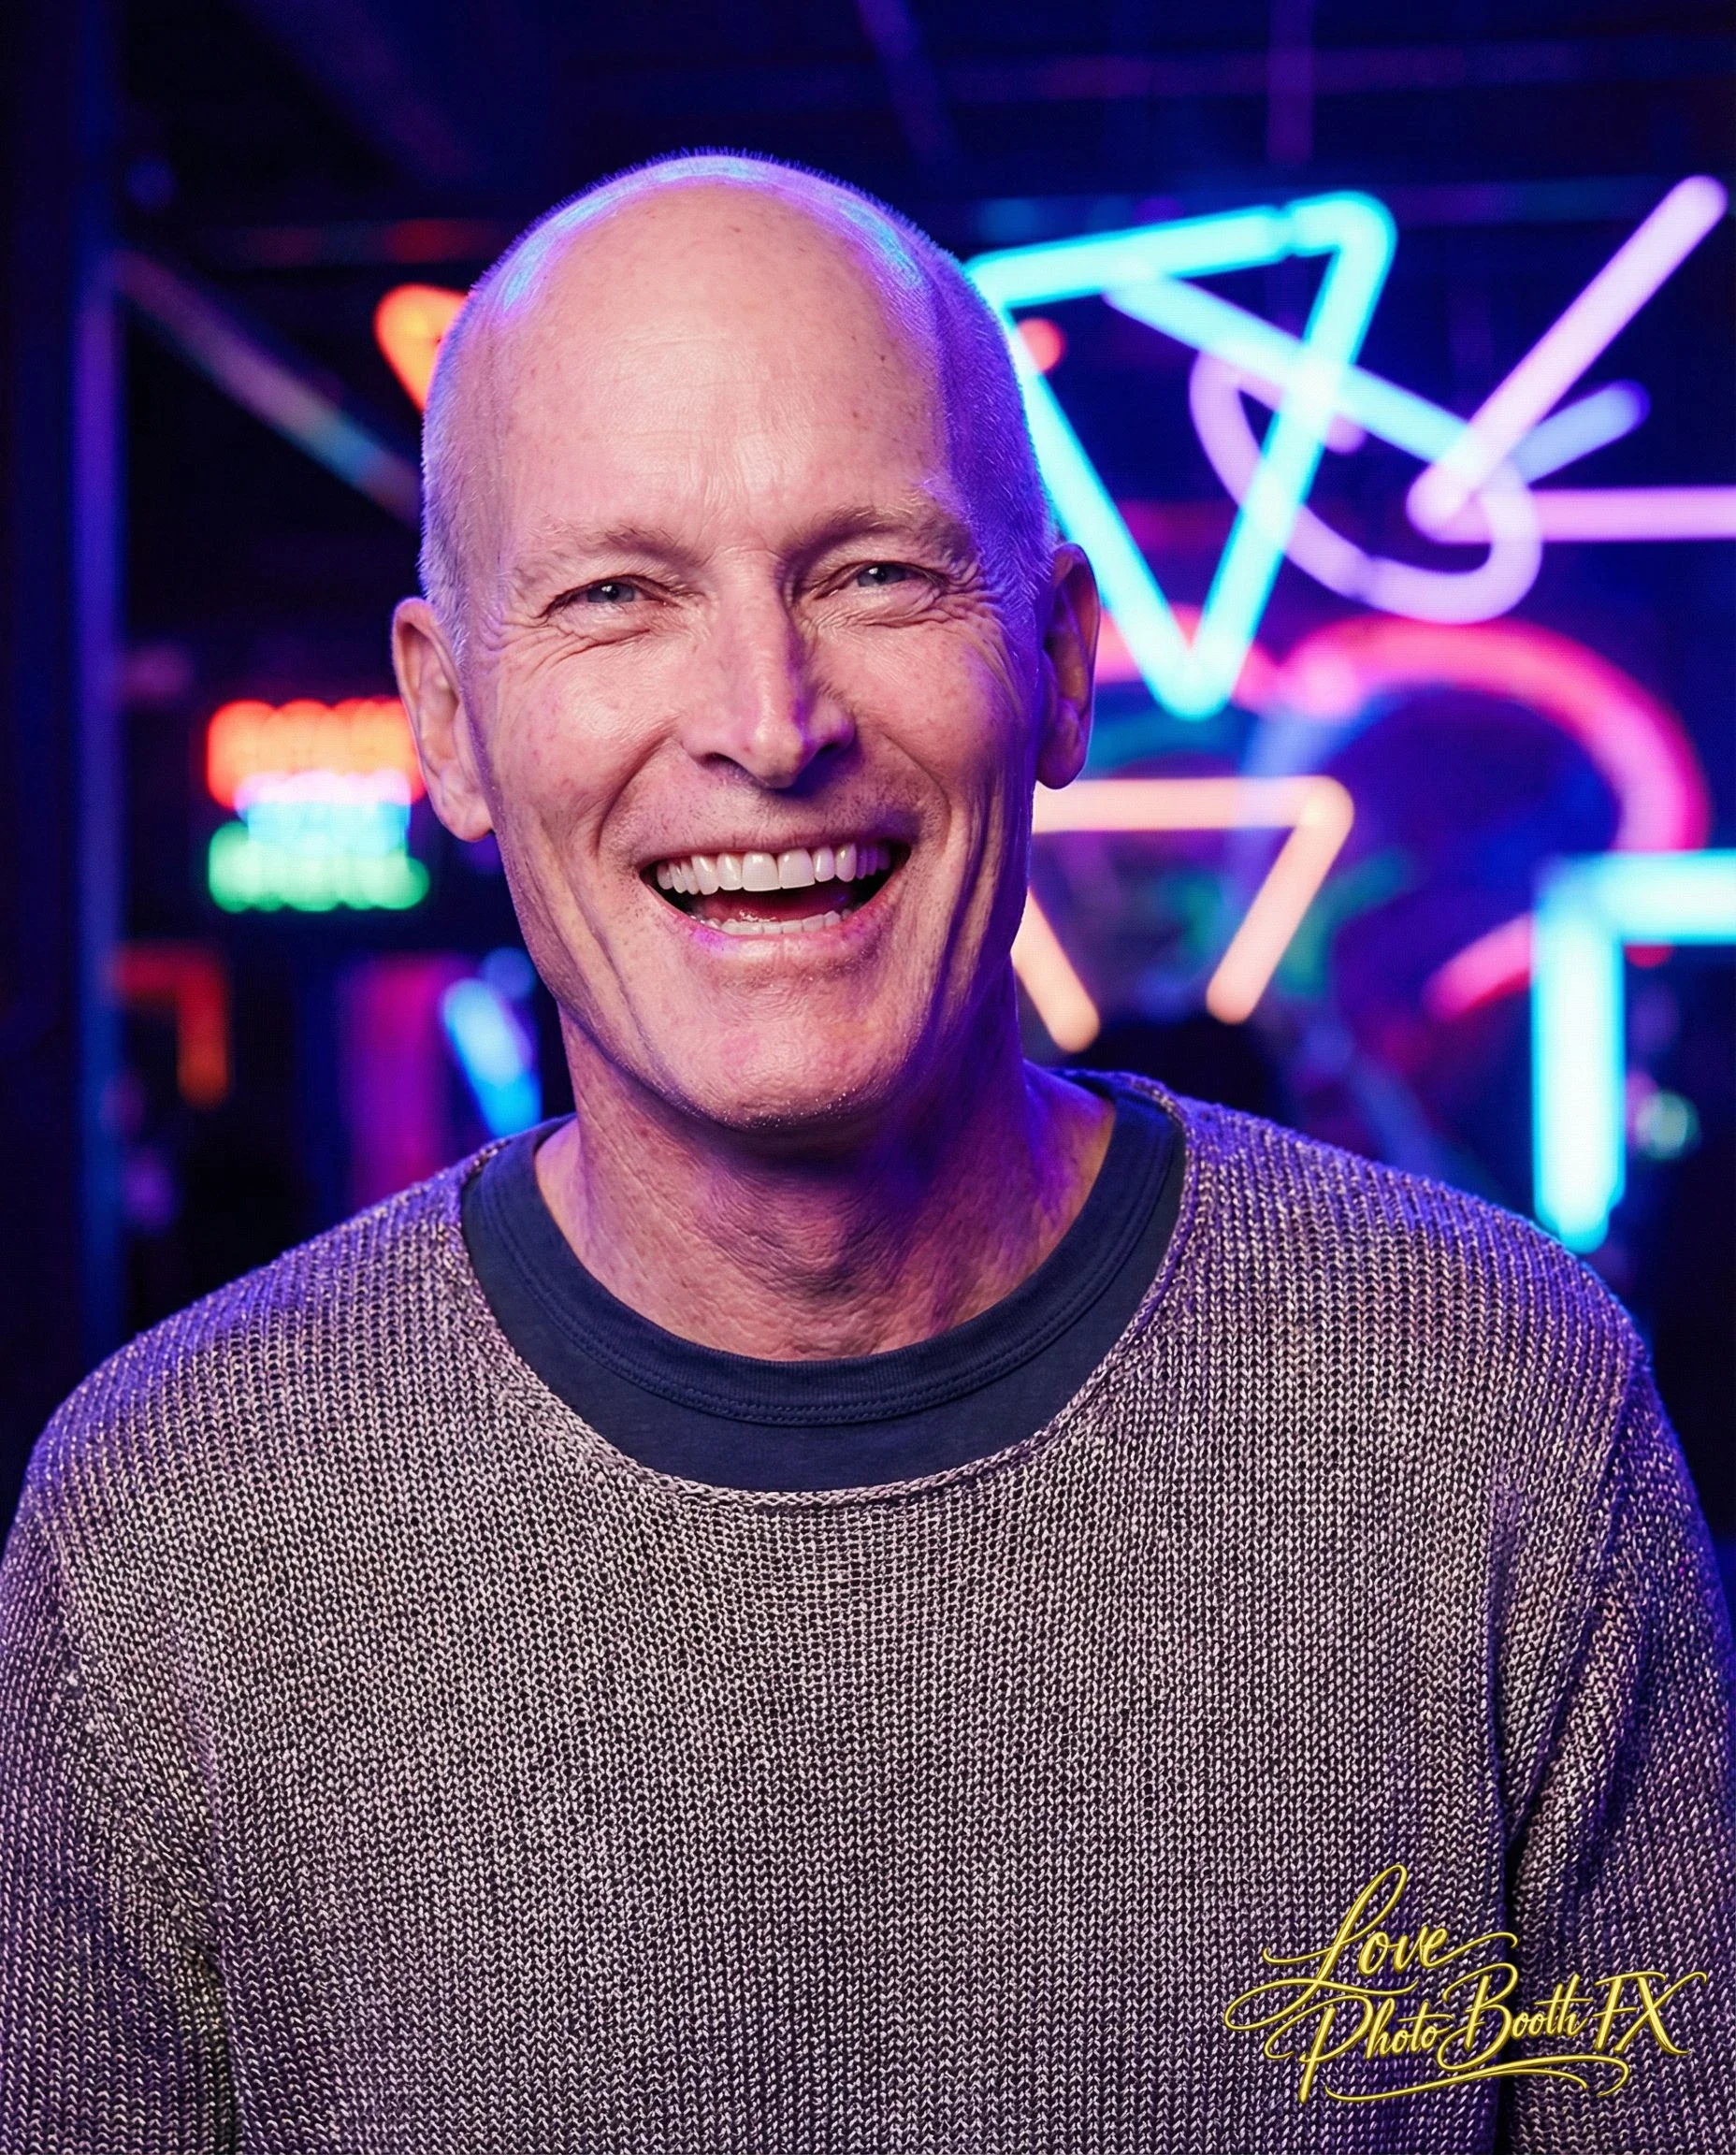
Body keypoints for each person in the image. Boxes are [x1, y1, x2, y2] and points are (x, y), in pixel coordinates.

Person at [1, 153, 1730, 2154]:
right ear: (448, 723)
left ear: (1063, 661)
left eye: (874, 574)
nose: (765, 719)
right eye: (614, 598)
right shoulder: (167, 1544)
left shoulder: (1492, 1422)